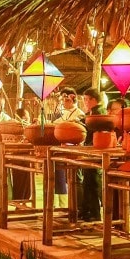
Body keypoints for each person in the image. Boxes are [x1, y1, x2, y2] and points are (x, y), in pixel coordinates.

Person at [53, 87, 85, 207]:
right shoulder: (64, 113)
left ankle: (78, 207)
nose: (63, 102)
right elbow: (56, 123)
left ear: (72, 99)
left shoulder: (79, 114)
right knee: (64, 179)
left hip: (75, 152)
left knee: (76, 180)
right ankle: (66, 206)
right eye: (62, 100)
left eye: (65, 99)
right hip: (63, 150)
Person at [77, 87, 105, 222]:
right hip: (92, 150)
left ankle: (94, 213)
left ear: (93, 100)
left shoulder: (98, 113)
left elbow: (91, 129)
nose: (85, 102)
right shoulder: (94, 112)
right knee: (89, 182)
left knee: (91, 182)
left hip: (94, 151)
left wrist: (81, 124)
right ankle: (88, 211)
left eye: (86, 99)